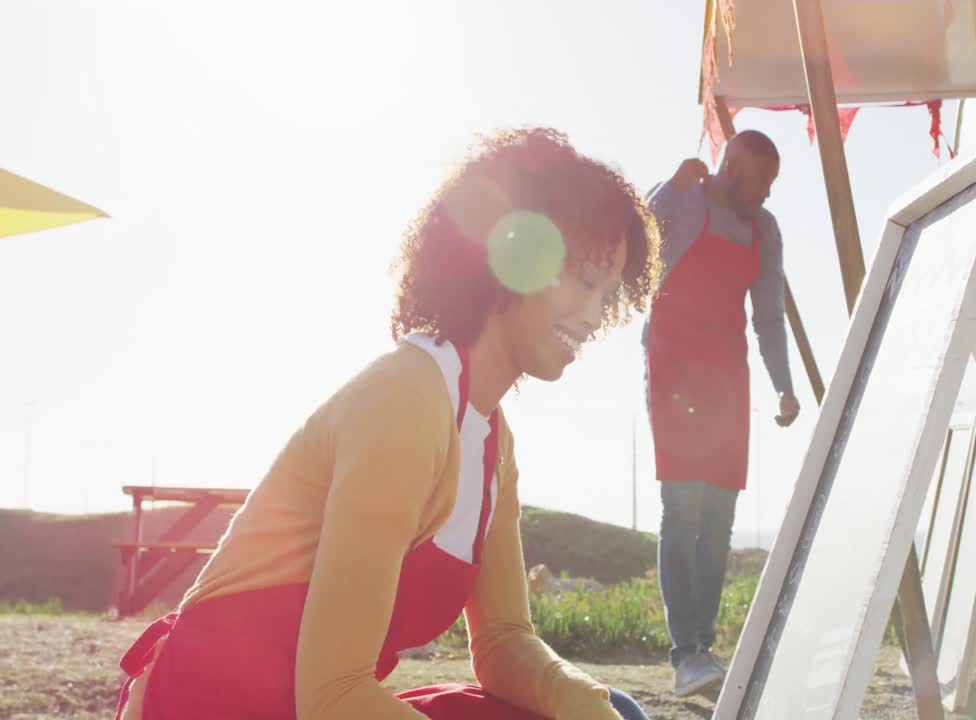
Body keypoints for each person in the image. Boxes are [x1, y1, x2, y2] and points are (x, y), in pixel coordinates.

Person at [113, 128, 661, 720]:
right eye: (584, 282)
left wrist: (588, 706)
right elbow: (334, 695)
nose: (597, 315)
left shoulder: (491, 442)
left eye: (609, 295)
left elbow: (503, 642)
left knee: (615, 711)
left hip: (310, 706)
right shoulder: (404, 402)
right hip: (210, 705)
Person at [644, 129, 800, 697]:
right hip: (674, 371)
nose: (766, 194)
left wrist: (784, 385)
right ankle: (685, 652)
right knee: (681, 510)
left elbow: (769, 316)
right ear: (731, 168)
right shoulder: (685, 200)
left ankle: (704, 649)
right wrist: (668, 187)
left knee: (719, 519)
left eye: (772, 185)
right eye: (761, 182)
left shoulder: (766, 229)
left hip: (728, 379)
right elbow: (636, 235)